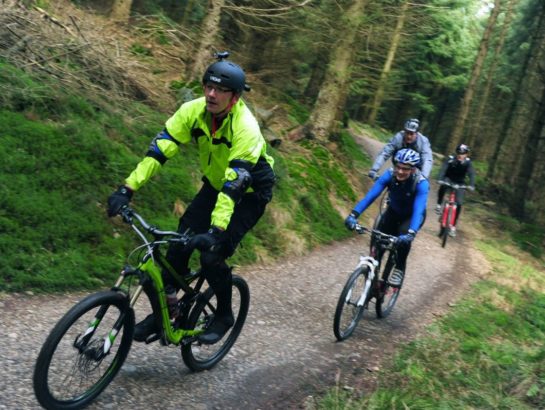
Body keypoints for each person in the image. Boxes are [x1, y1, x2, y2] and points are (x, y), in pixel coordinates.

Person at [107, 51, 276, 344]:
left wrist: (216, 231)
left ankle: (223, 314)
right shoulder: (193, 111)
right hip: (214, 185)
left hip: (248, 193)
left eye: (220, 90)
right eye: (207, 86)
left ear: (234, 97)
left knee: (211, 255)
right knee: (175, 249)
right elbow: (160, 151)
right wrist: (127, 189)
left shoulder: (246, 127)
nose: (211, 94)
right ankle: (165, 316)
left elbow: (234, 184)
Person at [345, 148, 429, 286]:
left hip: (411, 216)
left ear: (413, 169)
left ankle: (399, 268)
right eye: (398, 167)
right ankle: (374, 275)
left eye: (405, 169)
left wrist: (411, 233)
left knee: (403, 237)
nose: (400, 171)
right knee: (378, 239)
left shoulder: (421, 183)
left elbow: (418, 209)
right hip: (393, 212)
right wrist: (353, 214)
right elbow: (370, 196)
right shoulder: (389, 174)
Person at [368, 118, 433, 180]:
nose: (408, 136)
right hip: (399, 166)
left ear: (416, 133)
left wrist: (424, 177)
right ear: (404, 131)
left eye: (411, 134)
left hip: (416, 168)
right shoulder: (398, 137)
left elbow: (427, 159)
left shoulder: (423, 141)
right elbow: (385, 153)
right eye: (407, 132)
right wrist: (374, 169)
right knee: (385, 180)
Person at [435, 143, 475, 237]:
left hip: (460, 183)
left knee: (459, 203)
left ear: (466, 154)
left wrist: (471, 185)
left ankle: (453, 226)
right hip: (449, 179)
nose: (460, 155)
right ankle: (439, 204)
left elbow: (472, 174)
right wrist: (440, 179)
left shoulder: (468, 163)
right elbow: (443, 169)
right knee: (443, 185)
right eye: (459, 153)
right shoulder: (450, 159)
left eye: (463, 153)